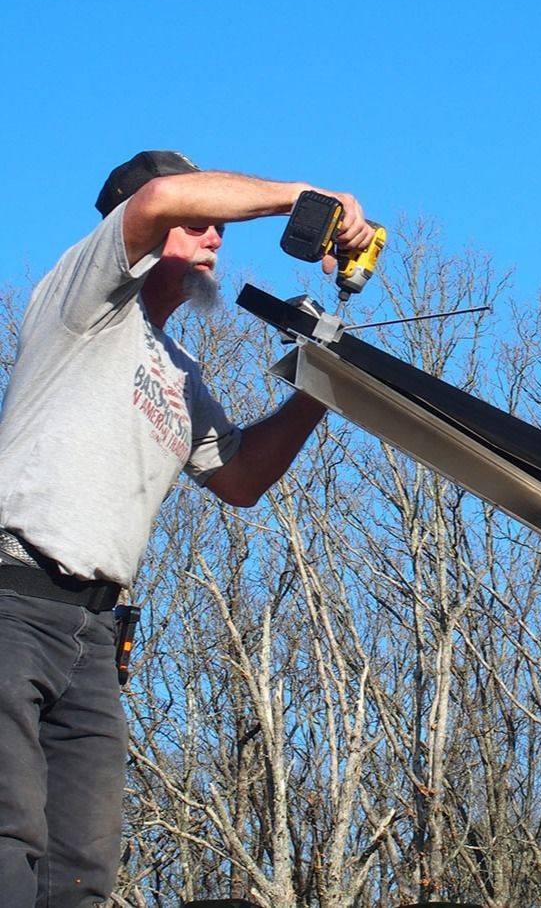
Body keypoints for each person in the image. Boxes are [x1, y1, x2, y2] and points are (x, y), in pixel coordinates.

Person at [0, 150, 375, 906]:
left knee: (80, 867)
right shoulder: (85, 301)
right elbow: (162, 198)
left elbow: (240, 479)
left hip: (95, 634)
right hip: (12, 601)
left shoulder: (179, 376)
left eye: (217, 224)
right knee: (5, 838)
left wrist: (322, 384)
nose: (213, 234)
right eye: (197, 222)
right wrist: (304, 199)